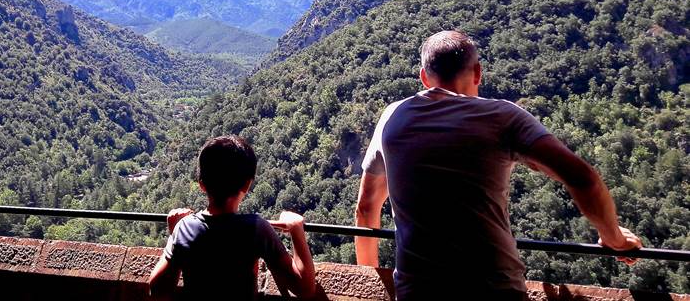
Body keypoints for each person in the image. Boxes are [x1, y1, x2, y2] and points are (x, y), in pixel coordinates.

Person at [355, 30, 643, 301]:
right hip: (494, 288)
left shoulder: (393, 117)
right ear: (478, 72)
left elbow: (366, 209)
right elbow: (583, 178)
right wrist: (614, 239)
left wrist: (367, 281)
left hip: (418, 290)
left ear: (424, 78)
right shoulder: (504, 117)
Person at [149, 135, 317, 300]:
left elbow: (157, 289)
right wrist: (296, 229)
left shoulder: (185, 227)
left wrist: (175, 234)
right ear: (247, 184)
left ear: (201, 184)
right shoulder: (256, 228)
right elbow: (304, 288)